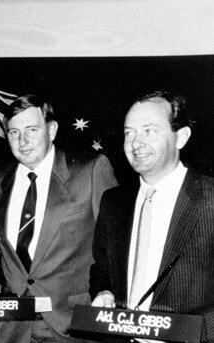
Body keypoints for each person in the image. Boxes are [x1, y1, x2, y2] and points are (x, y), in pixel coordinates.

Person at [0, 94, 118, 342]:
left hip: (74, 325)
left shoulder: (91, 169)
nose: (22, 141)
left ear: (51, 130)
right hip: (14, 327)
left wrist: (107, 290)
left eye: (32, 129)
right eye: (13, 132)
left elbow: (115, 244)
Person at [90, 91, 214, 341]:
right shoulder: (113, 202)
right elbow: (101, 269)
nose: (136, 143)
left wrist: (186, 332)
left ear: (181, 137)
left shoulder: (210, 198)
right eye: (129, 132)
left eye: (149, 131)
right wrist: (105, 292)